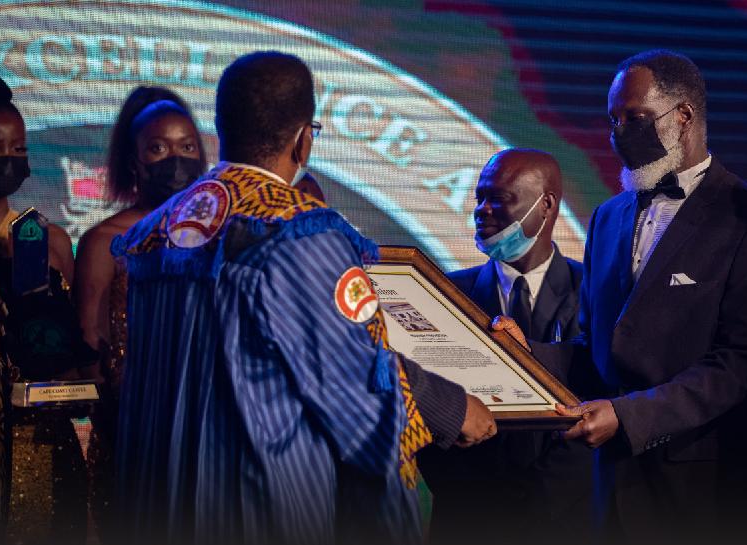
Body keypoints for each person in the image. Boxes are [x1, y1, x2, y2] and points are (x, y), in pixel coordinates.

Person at [110, 51, 494, 544]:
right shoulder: (298, 231)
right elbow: (354, 379)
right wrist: (452, 409)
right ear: (303, 139)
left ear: (220, 129)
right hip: (256, 507)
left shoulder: (157, 228)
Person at [496, 50, 747, 543]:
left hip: (708, 498)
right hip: (615, 494)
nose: (619, 132)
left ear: (684, 116)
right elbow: (600, 349)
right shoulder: (609, 218)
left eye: (634, 118)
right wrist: (530, 356)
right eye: (613, 119)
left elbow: (738, 366)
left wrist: (628, 416)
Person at [417, 149, 591, 545]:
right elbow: (427, 400)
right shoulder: (446, 294)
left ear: (546, 204)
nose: (482, 209)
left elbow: (609, 398)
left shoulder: (594, 292)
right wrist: (479, 501)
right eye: (479, 197)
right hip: (468, 519)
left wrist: (533, 498)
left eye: (499, 197)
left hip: (564, 520)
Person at [73, 85, 208, 540]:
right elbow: (87, 340)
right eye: (159, 148)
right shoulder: (104, 239)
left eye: (187, 147)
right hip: (131, 431)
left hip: (209, 426)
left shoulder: (224, 233)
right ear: (135, 162)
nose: (176, 159)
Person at [0, 70, 96, 544]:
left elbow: (66, 349)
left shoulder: (47, 239)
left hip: (36, 440)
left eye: (18, 150)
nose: (8, 160)